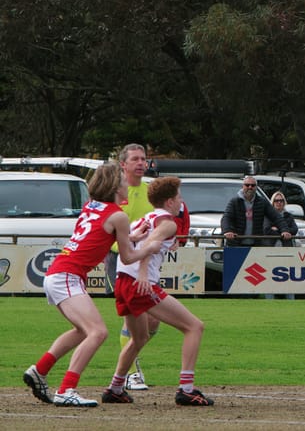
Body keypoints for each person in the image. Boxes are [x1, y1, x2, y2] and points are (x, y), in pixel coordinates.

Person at [22, 163, 161, 407]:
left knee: (82, 331)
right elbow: (127, 257)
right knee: (98, 332)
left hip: (59, 273)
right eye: (123, 180)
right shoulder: (117, 214)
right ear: (114, 186)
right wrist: (148, 246)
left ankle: (40, 370)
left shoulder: (92, 206)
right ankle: (67, 389)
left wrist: (132, 237)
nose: (127, 184)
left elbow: (98, 235)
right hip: (67, 275)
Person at [101, 176, 214, 406]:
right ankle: (186, 389)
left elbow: (143, 241)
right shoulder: (168, 222)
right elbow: (149, 245)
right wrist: (143, 272)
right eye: (179, 197)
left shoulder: (146, 218)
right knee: (194, 327)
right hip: (139, 282)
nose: (181, 201)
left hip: (122, 281)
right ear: (170, 201)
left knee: (139, 338)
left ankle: (114, 388)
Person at [103, 144, 158, 391]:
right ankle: (129, 373)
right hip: (121, 259)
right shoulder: (117, 192)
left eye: (143, 159)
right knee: (134, 318)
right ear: (123, 164)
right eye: (135, 159)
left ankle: (127, 364)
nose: (141, 163)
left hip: (147, 259)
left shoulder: (150, 192)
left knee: (153, 320)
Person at [220, 175, 293, 247]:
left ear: (256, 187)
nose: (250, 187)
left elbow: (276, 217)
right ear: (243, 186)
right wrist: (227, 231)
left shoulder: (262, 202)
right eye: (247, 185)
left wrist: (285, 230)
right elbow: (226, 218)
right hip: (236, 244)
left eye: (253, 185)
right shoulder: (234, 201)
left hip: (256, 245)